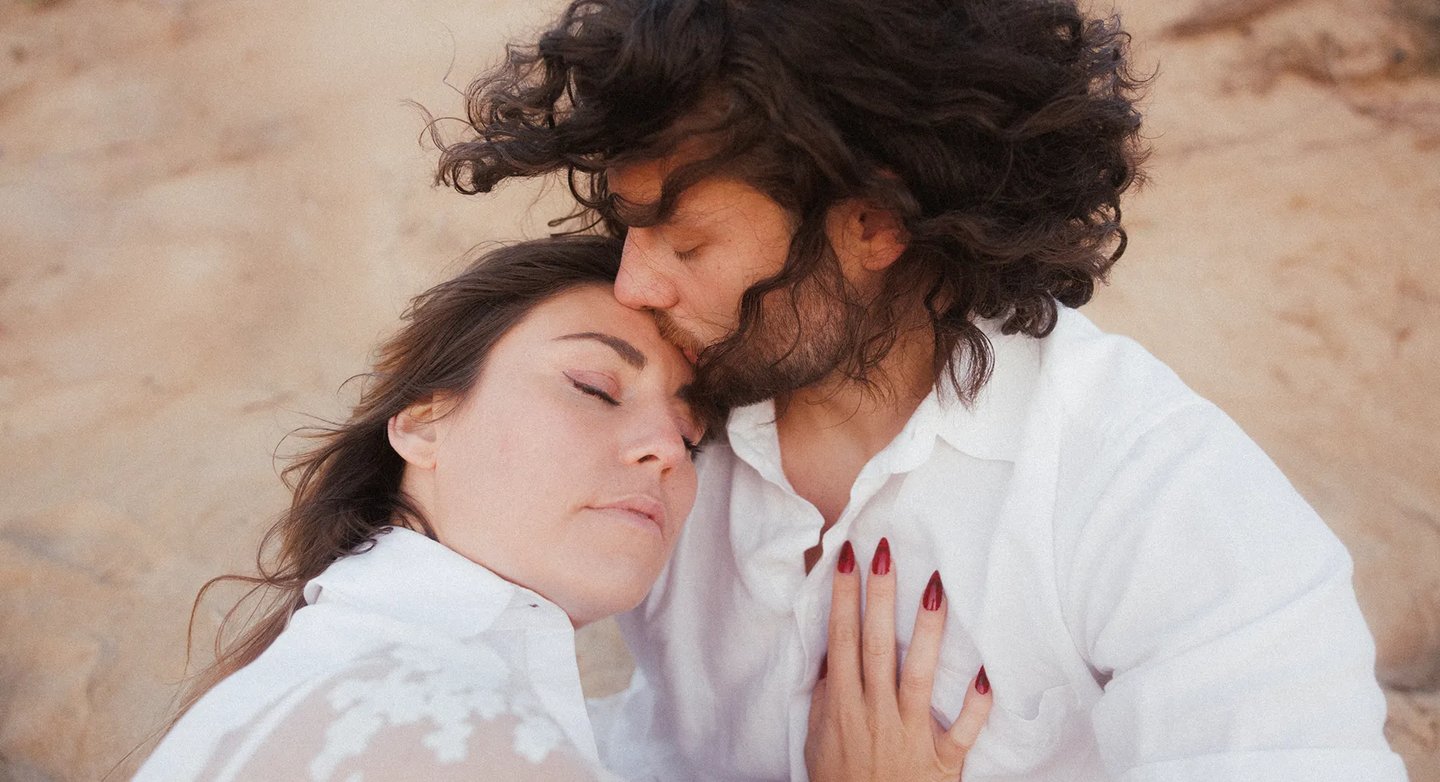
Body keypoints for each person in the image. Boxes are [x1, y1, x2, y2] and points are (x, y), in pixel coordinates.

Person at [434, 1, 1410, 780]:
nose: (634, 286)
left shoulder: (1149, 489)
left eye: (688, 243)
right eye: (627, 229)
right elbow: (404, 624)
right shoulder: (640, 411)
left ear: (874, 223)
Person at [135, 236, 993, 781]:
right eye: (593, 386)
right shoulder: (446, 721)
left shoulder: (326, 668)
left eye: (693, 438)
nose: (665, 446)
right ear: (425, 424)